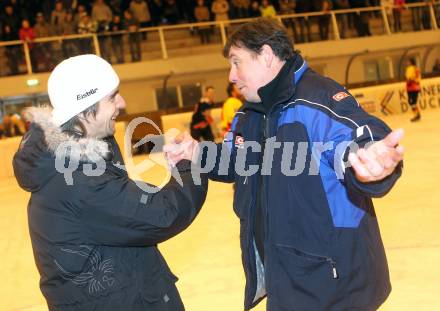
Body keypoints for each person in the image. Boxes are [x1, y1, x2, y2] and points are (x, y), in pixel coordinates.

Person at [167, 18, 404, 310]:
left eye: (237, 62)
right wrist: (197, 151)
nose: (231, 75)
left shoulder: (317, 100)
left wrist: (371, 160)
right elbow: (237, 162)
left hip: (332, 284)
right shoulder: (250, 115)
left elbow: (353, 137)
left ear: (266, 55)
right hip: (285, 276)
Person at [13, 54, 207, 311]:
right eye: (112, 96)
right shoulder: (78, 180)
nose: (122, 103)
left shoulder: (80, 157)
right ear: (84, 108)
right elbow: (161, 214)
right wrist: (188, 165)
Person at [405, 57, 422, 122]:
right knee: (411, 102)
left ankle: (416, 115)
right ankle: (417, 114)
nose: (407, 63)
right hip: (409, 88)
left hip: (414, 88)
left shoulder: (415, 69)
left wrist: (413, 80)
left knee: (413, 102)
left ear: (411, 62)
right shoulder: (408, 69)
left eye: (408, 61)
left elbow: (418, 77)